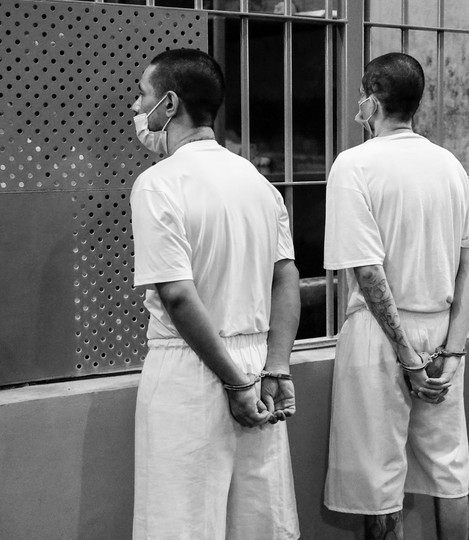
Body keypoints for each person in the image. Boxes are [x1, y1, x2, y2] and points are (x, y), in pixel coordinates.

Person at [130, 48, 300, 539]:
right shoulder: (257, 182)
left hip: (192, 368)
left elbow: (179, 296)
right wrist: (276, 367)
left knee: (181, 523)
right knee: (259, 522)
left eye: (142, 96)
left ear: (169, 103)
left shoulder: (158, 184)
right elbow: (285, 276)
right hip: (257, 365)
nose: (137, 110)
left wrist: (234, 384)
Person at [322, 52, 469, 540]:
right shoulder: (448, 164)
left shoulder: (355, 165)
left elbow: (368, 272)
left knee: (379, 476)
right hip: (440, 329)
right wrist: (454, 349)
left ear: (371, 101)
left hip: (381, 334)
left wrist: (406, 357)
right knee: (449, 470)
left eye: (360, 99)